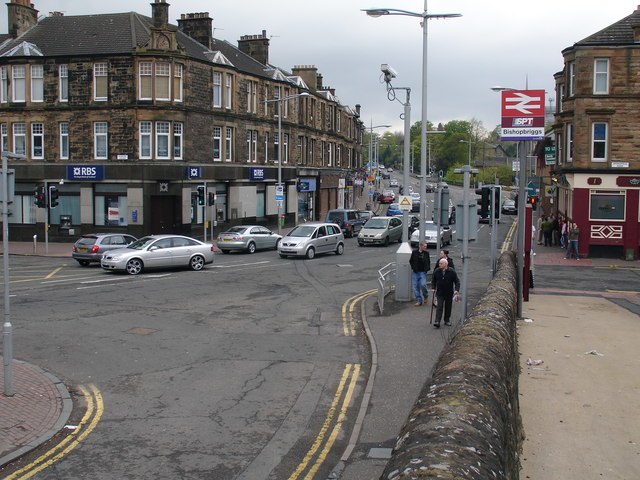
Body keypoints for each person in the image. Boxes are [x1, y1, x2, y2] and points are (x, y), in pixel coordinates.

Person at [431, 258, 461, 328]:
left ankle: (446, 320)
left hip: (449, 292)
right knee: (439, 306)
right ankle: (437, 321)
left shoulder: (451, 271)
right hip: (440, 292)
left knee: (448, 307)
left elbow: (457, 281)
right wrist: (433, 287)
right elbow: (433, 280)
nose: (439, 264)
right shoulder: (437, 271)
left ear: (446, 264)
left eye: (441, 263)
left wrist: (456, 289)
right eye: (439, 263)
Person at [409, 241, 431, 306]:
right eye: (424, 246)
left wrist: (427, 269)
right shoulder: (414, 252)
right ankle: (419, 300)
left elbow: (428, 261)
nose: (425, 247)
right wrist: (413, 267)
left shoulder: (426, 253)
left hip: (422, 272)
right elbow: (411, 261)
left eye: (426, 246)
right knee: (415, 287)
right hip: (415, 272)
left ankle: (425, 295)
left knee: (423, 284)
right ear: (420, 246)